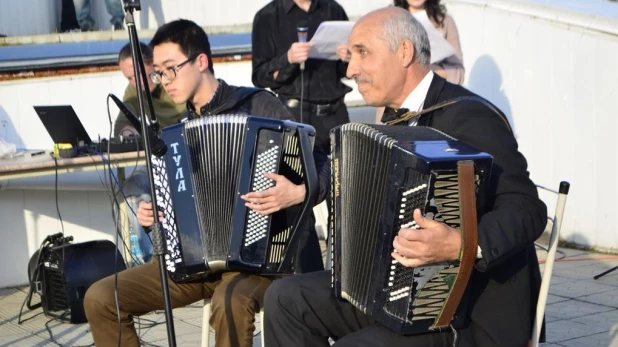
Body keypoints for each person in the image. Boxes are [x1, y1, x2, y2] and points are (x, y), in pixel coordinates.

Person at [264, 7, 547, 347]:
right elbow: (347, 171)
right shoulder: (393, 121)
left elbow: (528, 209)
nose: (351, 70)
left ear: (404, 52)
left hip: (464, 312)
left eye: (362, 53)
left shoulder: (467, 116)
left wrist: (459, 244)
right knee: (285, 298)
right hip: (398, 294)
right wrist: (307, 188)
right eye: (350, 56)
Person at [84, 19, 327, 347]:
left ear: (201, 62)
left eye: (171, 69)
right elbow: (176, 205)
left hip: (264, 263)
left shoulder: (259, 106)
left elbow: (321, 163)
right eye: (158, 72)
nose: (164, 81)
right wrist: (156, 214)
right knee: (100, 297)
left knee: (229, 302)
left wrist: (297, 192)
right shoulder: (178, 132)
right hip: (195, 265)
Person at [114, 41, 186, 266]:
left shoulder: (176, 81)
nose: (135, 83)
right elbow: (123, 122)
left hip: (188, 159)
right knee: (131, 190)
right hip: (160, 163)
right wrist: (128, 131)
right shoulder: (134, 90)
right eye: (129, 79)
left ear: (153, 67)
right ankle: (143, 265)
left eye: (139, 75)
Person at [251, 0, 352, 154]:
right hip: (294, 115)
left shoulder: (334, 10)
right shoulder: (267, 16)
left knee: (346, 174)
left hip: (336, 114)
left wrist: (348, 58)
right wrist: (288, 59)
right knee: (299, 175)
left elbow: (345, 71)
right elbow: (259, 76)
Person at [376, 0, 465, 123]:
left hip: (433, 102)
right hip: (394, 103)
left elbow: (458, 71)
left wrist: (425, 70)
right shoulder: (388, 17)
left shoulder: (444, 21)